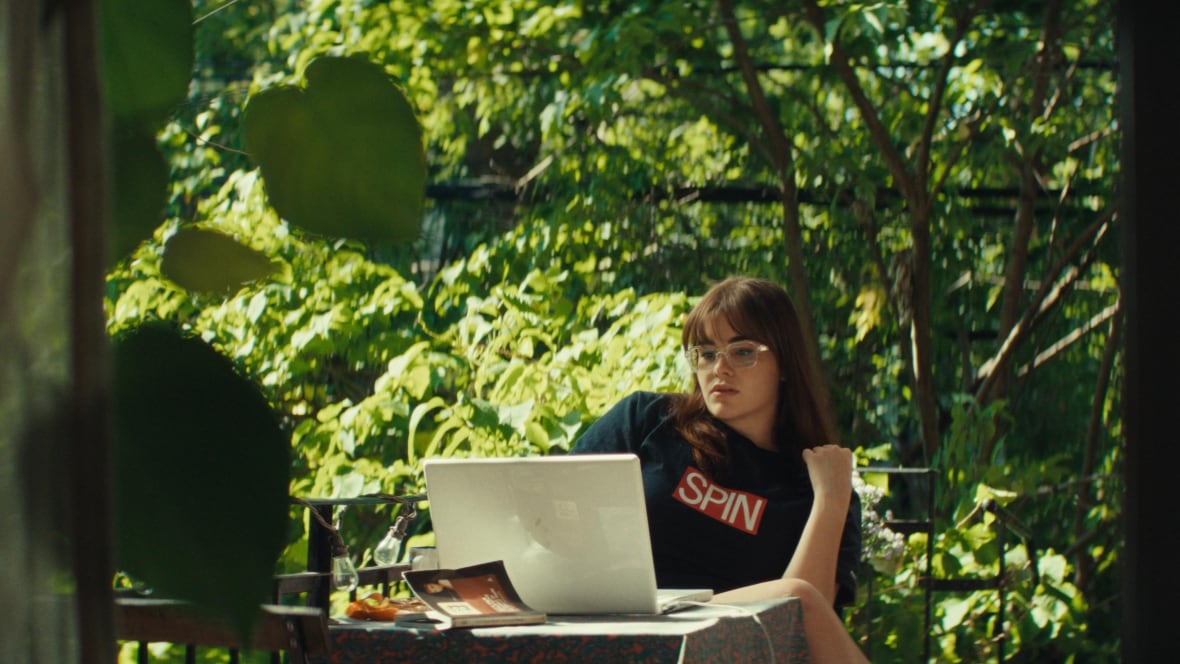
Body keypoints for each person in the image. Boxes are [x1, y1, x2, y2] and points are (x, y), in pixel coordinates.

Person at [572, 276, 868, 663]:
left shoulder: (813, 487)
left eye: (742, 352)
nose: (719, 368)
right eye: (706, 353)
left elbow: (800, 622)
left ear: (784, 363)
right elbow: (550, 502)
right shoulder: (648, 420)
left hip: (728, 645)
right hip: (622, 622)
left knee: (798, 596)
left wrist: (831, 499)